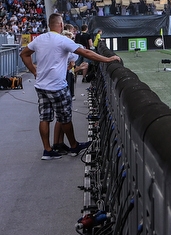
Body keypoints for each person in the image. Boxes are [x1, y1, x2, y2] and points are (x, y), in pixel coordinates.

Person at [20, 12, 122, 160]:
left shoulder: (40, 39)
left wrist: (34, 71)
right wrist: (107, 59)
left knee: (44, 118)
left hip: (41, 85)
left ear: (49, 25)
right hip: (57, 86)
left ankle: (47, 150)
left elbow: (24, 54)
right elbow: (86, 52)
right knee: (65, 117)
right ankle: (74, 146)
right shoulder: (62, 40)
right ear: (61, 25)